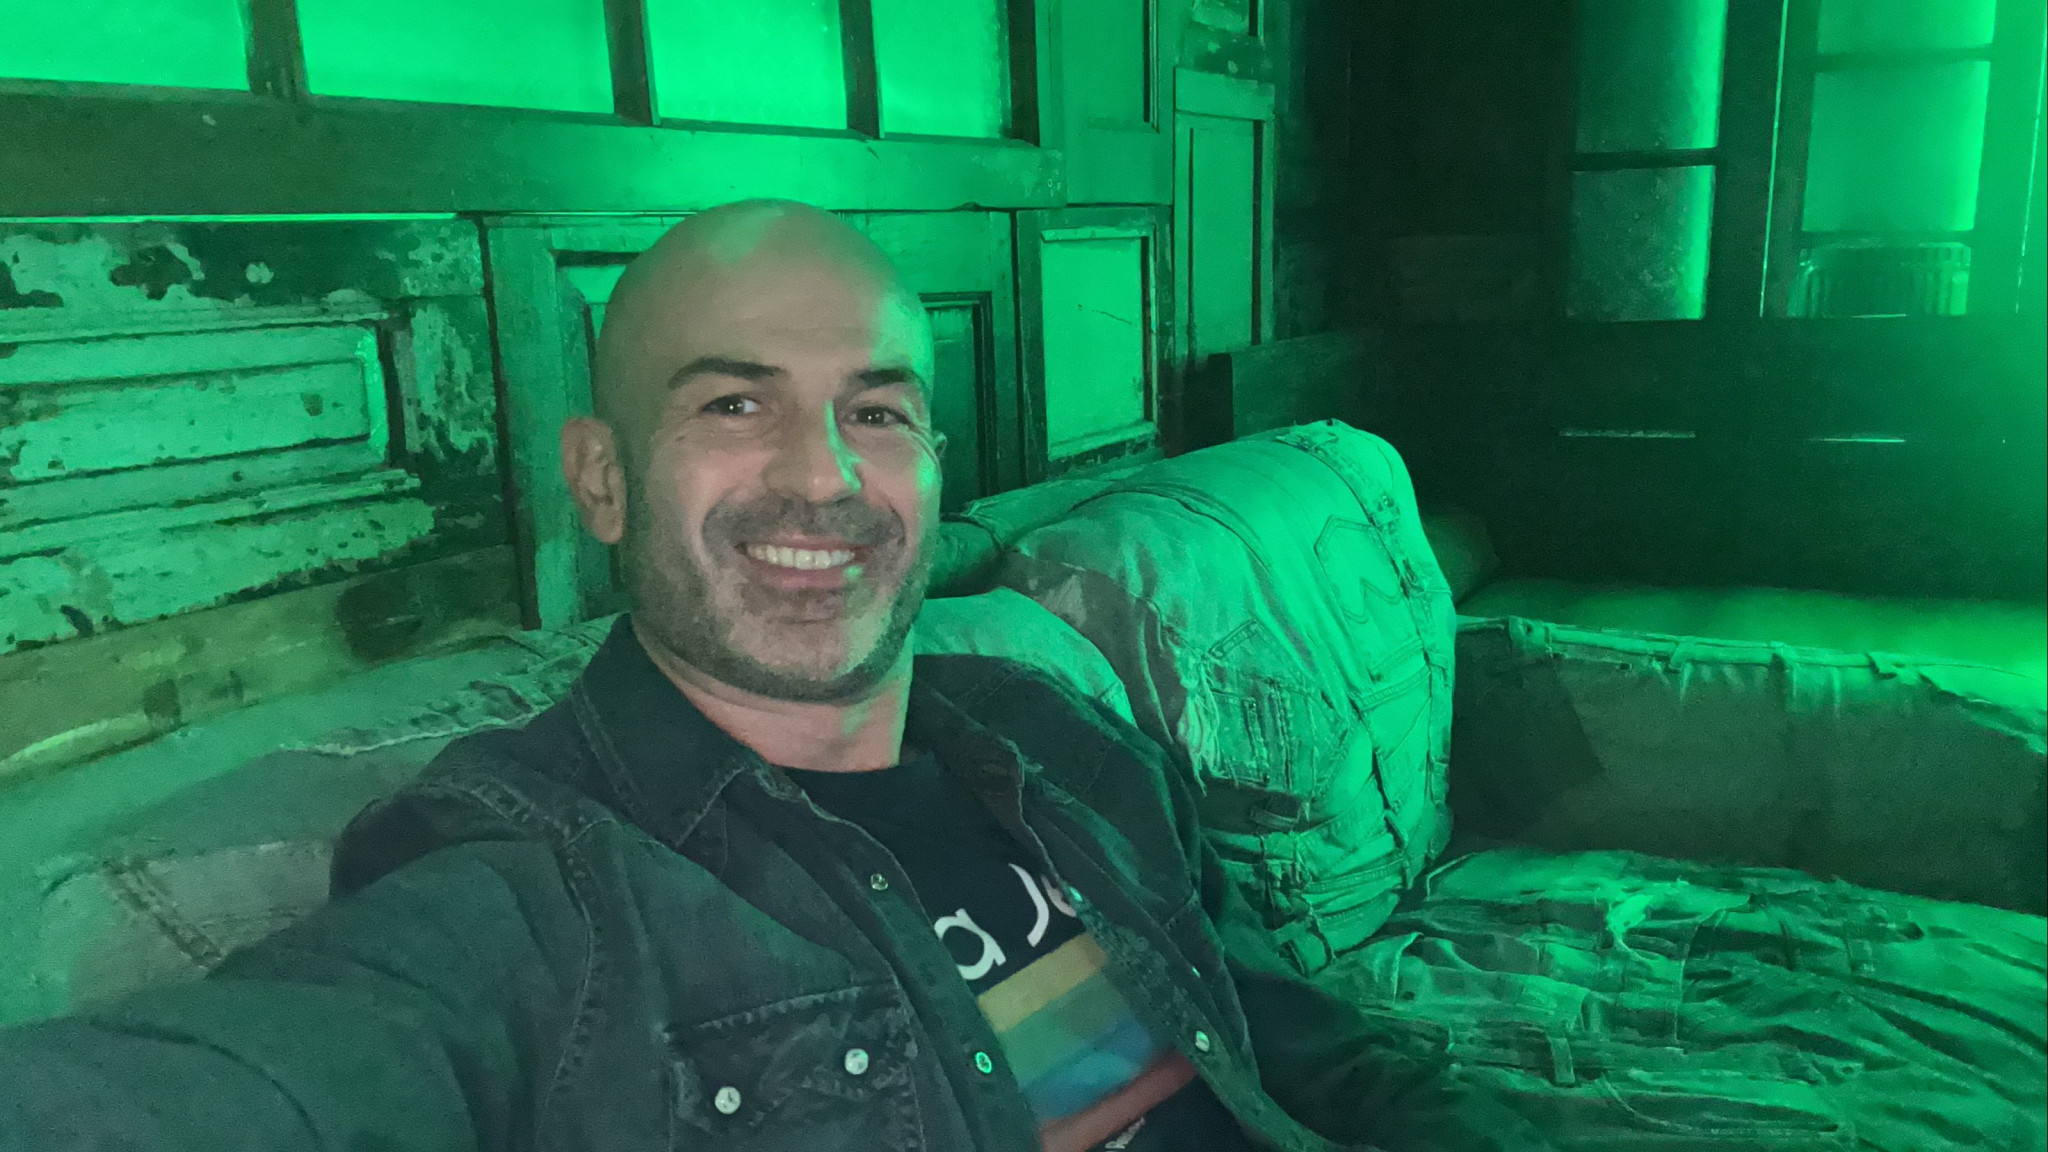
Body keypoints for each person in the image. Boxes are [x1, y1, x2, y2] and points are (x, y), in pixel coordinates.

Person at [0, 201, 1541, 1151]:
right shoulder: (534, 889)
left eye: (875, 412)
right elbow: (273, 1074)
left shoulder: (1053, 737)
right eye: (733, 404)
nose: (824, 477)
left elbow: (1299, 1035)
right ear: (602, 479)